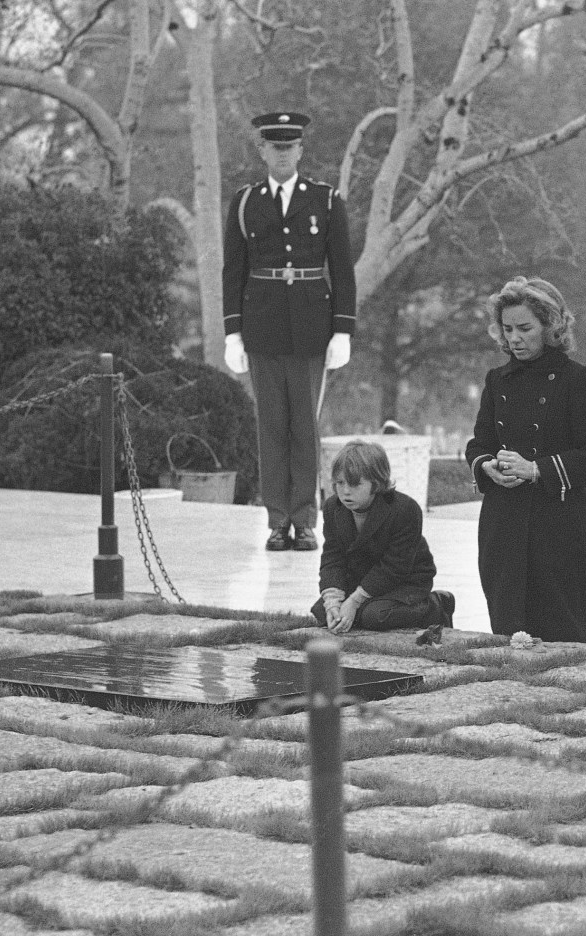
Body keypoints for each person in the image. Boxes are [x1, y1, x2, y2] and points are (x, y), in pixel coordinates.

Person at [223, 111, 356, 552]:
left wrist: (343, 331)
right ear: (262, 150)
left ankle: (305, 520)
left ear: (300, 150)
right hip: (262, 326)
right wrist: (232, 334)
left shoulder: (326, 200)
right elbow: (233, 272)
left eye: (290, 147)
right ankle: (277, 521)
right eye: (274, 147)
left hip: (310, 328)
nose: (282, 155)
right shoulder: (246, 202)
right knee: (271, 428)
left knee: (305, 428)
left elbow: (341, 268)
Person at [465, 277, 586, 643]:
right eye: (507, 329)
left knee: (567, 640)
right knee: (510, 640)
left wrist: (536, 469)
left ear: (551, 327)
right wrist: (486, 466)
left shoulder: (577, 379)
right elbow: (478, 442)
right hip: (503, 527)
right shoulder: (496, 380)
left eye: (525, 328)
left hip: (560, 527)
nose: (514, 338)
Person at [312, 440, 454, 634]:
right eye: (340, 483)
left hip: (404, 580)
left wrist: (354, 601)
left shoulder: (405, 509)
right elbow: (332, 557)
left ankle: (437, 605)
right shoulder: (333, 507)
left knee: (375, 616)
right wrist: (332, 601)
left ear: (376, 483)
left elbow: (395, 566)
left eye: (355, 484)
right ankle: (358, 606)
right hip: (361, 576)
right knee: (322, 612)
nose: (345, 491)